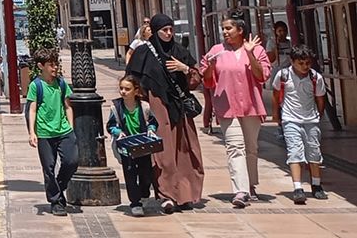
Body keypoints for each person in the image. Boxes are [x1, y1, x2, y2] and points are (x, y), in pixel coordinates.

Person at [125, 13, 205, 212]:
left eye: (171, 30)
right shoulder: (144, 53)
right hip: (157, 107)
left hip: (180, 109)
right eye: (164, 30)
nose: (169, 34)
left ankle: (185, 195)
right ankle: (167, 195)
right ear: (155, 31)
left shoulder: (179, 51)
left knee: (186, 151)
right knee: (163, 152)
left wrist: (184, 68)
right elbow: (132, 80)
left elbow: (195, 80)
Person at [198, 15, 271, 208]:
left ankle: (250, 185)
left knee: (251, 148)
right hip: (227, 107)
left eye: (229, 28)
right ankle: (240, 190)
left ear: (240, 30)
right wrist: (210, 66)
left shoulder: (256, 49)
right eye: (223, 28)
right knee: (234, 147)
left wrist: (250, 54)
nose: (225, 32)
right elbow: (207, 79)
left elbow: (262, 75)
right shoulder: (217, 51)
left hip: (251, 106)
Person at [271, 44, 327, 204]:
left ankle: (316, 185)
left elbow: (320, 99)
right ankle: (297, 187)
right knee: (295, 152)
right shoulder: (283, 76)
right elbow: (276, 95)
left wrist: (318, 115)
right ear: (292, 61)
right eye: (300, 63)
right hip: (290, 120)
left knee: (314, 152)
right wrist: (276, 115)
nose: (304, 67)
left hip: (311, 120)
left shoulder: (315, 77)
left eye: (307, 63)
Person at [26, 48, 77, 217]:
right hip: (45, 133)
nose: (55, 68)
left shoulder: (61, 83)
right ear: (41, 66)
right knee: (49, 168)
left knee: (71, 161)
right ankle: (56, 201)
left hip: (64, 130)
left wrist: (71, 127)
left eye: (56, 64)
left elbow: (68, 106)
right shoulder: (36, 86)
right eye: (51, 65)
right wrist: (32, 132)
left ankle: (58, 188)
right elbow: (32, 110)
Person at [107, 74, 161, 218]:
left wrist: (151, 130)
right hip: (127, 148)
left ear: (136, 91)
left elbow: (153, 122)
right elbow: (111, 126)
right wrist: (118, 132)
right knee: (130, 175)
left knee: (146, 175)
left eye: (127, 89)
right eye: (121, 88)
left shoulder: (144, 106)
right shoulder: (116, 107)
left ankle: (144, 194)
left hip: (143, 147)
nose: (123, 92)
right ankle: (135, 203)